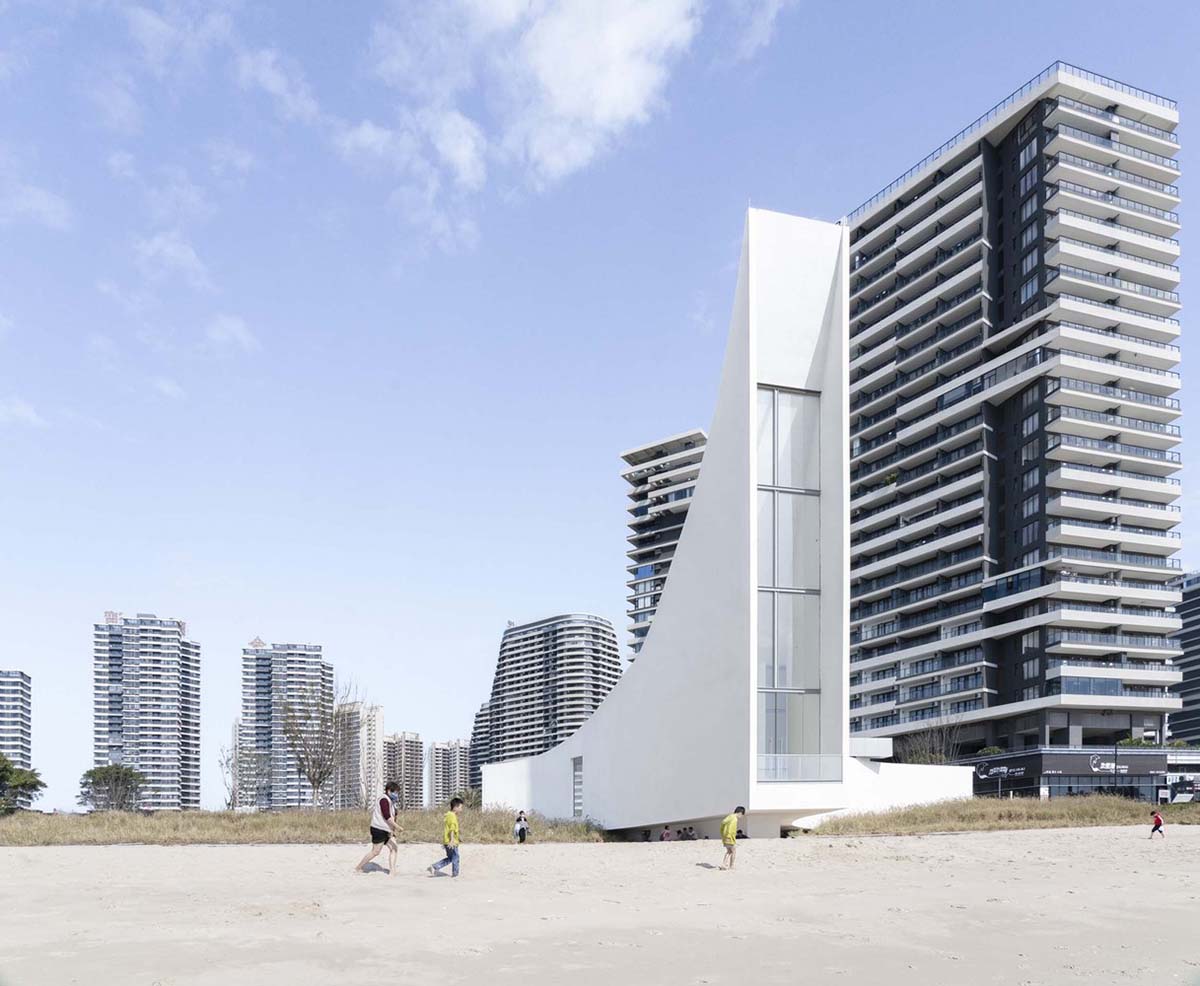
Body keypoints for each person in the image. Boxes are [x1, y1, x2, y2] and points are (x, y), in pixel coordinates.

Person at [355, 781, 402, 876]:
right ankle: (359, 867)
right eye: (395, 792)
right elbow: (387, 816)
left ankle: (392, 871)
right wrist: (398, 827)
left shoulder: (391, 803)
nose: (396, 795)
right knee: (375, 852)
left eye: (397, 792)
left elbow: (393, 817)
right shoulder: (383, 800)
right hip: (378, 829)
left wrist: (393, 831)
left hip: (387, 830)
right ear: (389, 791)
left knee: (394, 848)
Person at [428, 797, 464, 877]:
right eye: (461, 807)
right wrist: (452, 840)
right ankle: (455, 874)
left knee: (451, 858)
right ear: (455, 807)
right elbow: (452, 829)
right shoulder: (452, 816)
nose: (461, 810)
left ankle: (435, 866)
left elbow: (451, 829)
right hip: (451, 841)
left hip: (447, 840)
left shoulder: (448, 815)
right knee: (455, 857)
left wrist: (458, 838)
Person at [719, 806, 745, 870]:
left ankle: (723, 864)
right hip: (729, 837)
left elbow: (722, 823)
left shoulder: (729, 816)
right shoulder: (734, 819)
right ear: (740, 813)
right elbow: (732, 829)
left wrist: (723, 834)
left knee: (729, 851)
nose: (741, 817)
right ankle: (731, 866)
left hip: (725, 837)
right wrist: (732, 837)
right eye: (742, 815)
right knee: (733, 851)